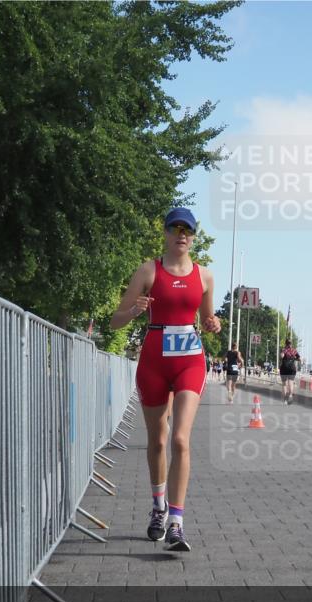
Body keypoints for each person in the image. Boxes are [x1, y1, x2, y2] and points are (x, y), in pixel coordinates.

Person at [110, 207, 221, 552]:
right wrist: (134, 311)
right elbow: (115, 320)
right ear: (165, 233)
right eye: (175, 228)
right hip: (155, 360)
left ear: (193, 236)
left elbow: (206, 318)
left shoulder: (204, 276)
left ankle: (177, 522)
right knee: (157, 441)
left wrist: (212, 324)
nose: (181, 234)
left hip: (189, 359)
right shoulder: (148, 270)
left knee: (181, 440)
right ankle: (158, 508)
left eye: (187, 229)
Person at [279, 338, 300, 404]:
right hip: (292, 368)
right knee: (291, 382)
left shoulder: (284, 349)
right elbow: (299, 359)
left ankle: (285, 400)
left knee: (284, 384)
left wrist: (283, 353)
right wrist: (294, 359)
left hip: (284, 368)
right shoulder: (294, 350)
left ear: (285, 343)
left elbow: (281, 356)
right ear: (291, 343)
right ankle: (290, 395)